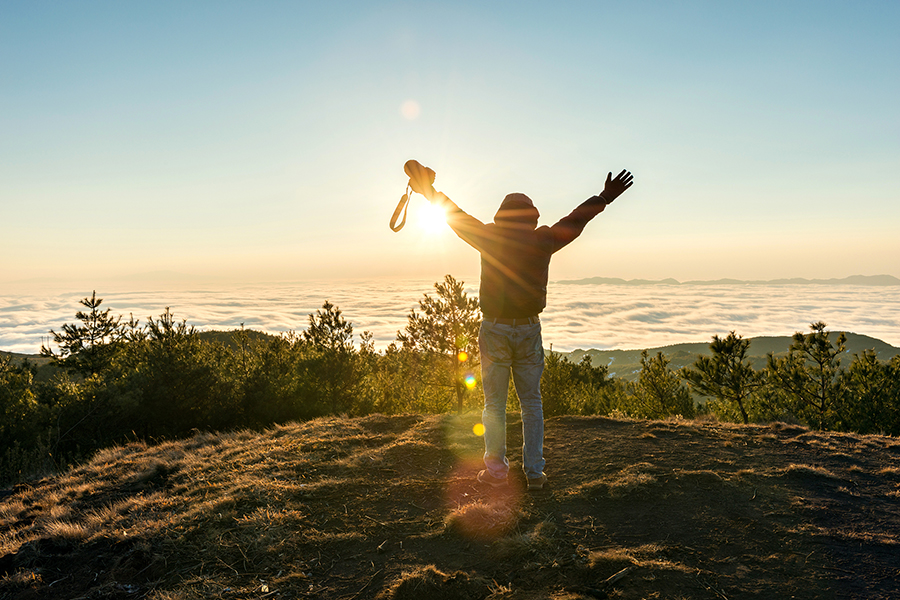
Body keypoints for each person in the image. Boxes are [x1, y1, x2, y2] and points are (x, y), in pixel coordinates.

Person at [406, 162, 634, 491]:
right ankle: (535, 474)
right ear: (533, 217)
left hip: (495, 329)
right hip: (528, 329)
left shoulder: (488, 236)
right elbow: (575, 220)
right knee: (532, 403)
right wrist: (604, 197)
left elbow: (454, 215)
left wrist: (428, 191)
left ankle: (497, 473)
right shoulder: (543, 240)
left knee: (494, 405)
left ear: (501, 216)